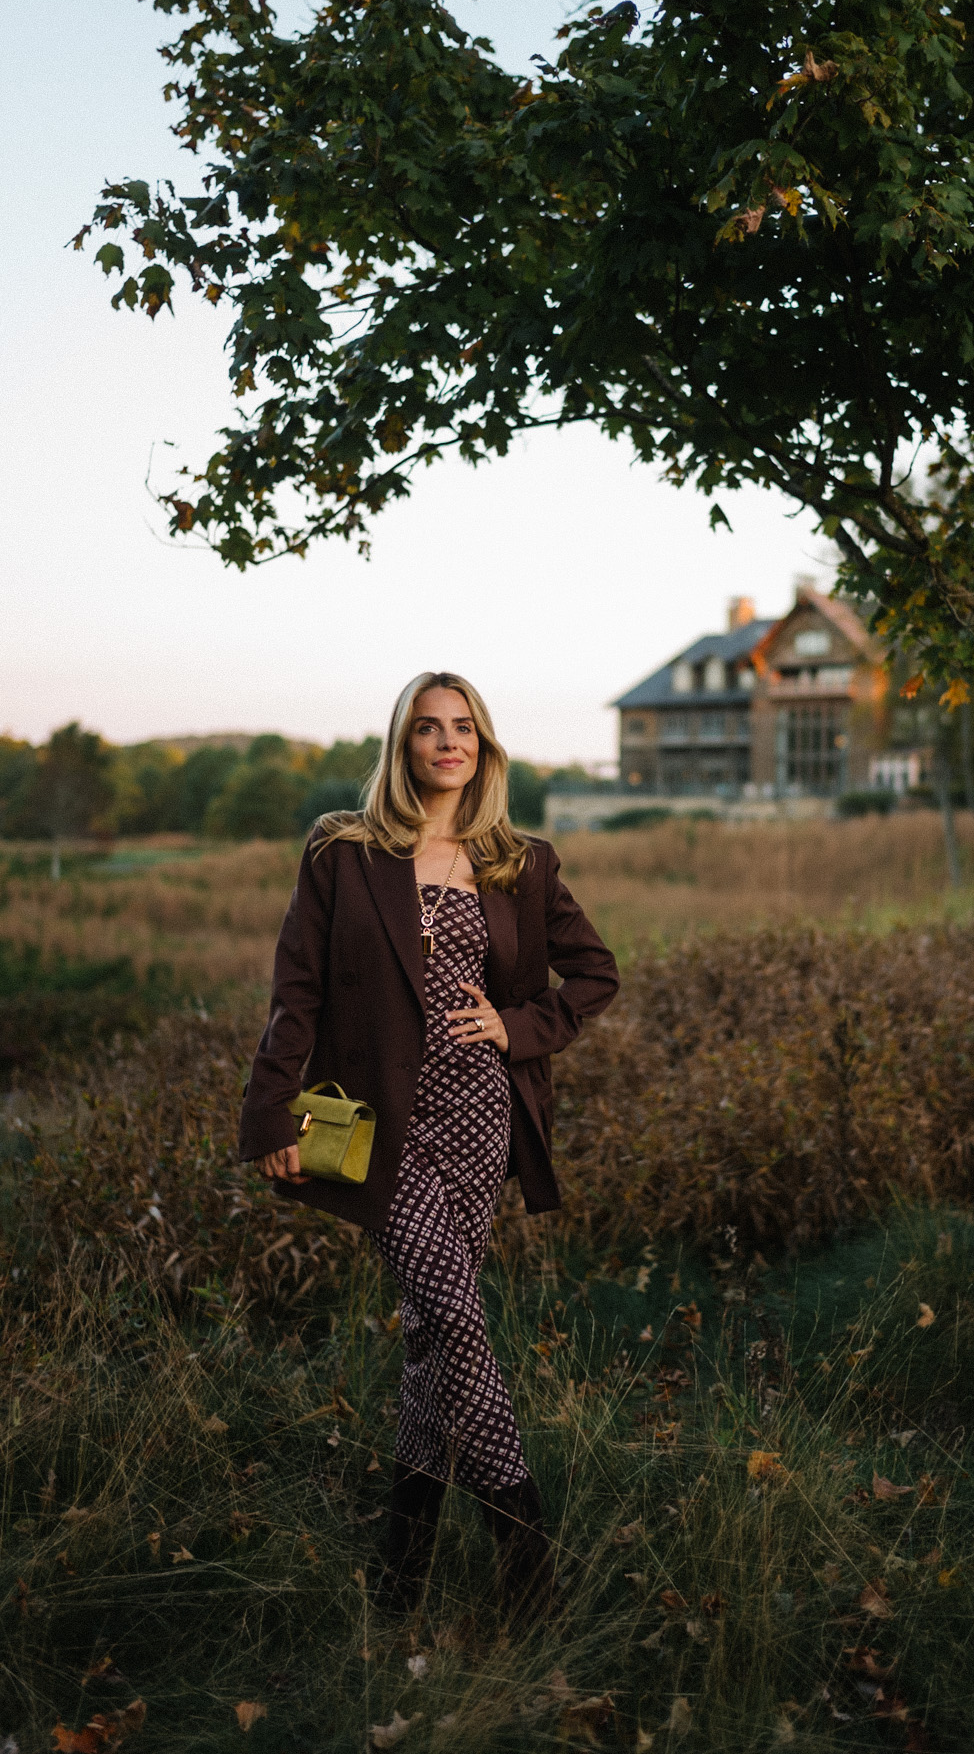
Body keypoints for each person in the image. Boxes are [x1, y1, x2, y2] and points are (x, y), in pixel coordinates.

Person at [237, 671, 618, 1621]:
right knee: (454, 1318)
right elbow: (299, 990)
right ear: (402, 746)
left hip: (480, 1115)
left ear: (483, 748)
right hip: (380, 1128)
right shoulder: (344, 851)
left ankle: (399, 1572)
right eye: (427, 728)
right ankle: (530, 1564)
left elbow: (594, 974)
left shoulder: (520, 861)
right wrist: (272, 1112)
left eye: (464, 729)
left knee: (431, 1340)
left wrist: (516, 1027)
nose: (447, 743)